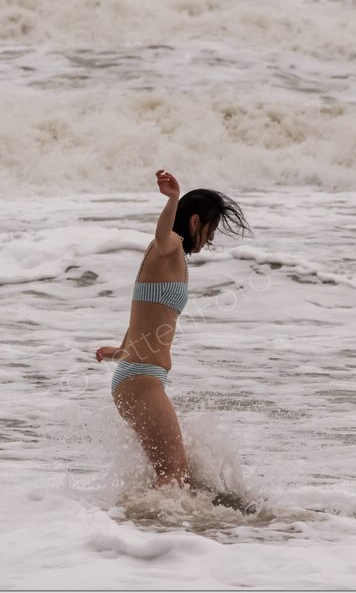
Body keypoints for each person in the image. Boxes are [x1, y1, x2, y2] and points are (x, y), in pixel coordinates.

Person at [95, 169, 252, 490]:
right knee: (174, 469)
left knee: (180, 468)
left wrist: (121, 351)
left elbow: (144, 313)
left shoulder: (169, 262)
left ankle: (153, 521)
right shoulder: (170, 246)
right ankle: (148, 525)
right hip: (141, 380)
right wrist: (172, 200)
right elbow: (163, 235)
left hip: (138, 375)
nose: (209, 240)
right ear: (195, 222)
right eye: (210, 230)